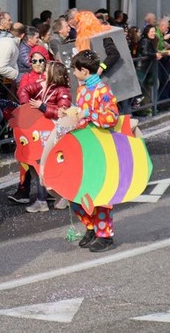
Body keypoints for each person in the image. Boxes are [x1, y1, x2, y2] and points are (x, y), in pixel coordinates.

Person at [59, 50, 119, 252]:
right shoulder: (82, 90)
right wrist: (70, 113)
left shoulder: (103, 90)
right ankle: (91, 226)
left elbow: (112, 117)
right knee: (75, 190)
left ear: (84, 71)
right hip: (82, 146)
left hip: (100, 148)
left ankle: (105, 235)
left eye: (75, 70)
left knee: (100, 193)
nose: (74, 73)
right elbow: (80, 113)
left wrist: (88, 113)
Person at [18, 61, 72, 213]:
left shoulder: (63, 91)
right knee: (38, 165)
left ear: (54, 74)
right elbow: (24, 90)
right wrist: (26, 107)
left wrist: (42, 107)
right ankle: (49, 198)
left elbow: (62, 113)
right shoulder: (44, 85)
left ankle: (53, 198)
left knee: (44, 165)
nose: (43, 71)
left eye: (47, 70)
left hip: (54, 133)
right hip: (41, 132)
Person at [8, 45, 50, 204]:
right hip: (32, 123)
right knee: (27, 156)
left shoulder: (52, 75)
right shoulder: (26, 77)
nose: (37, 64)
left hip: (49, 121)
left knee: (47, 157)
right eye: (34, 61)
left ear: (46, 61)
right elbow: (22, 94)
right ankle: (24, 190)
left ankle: (50, 190)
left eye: (41, 60)